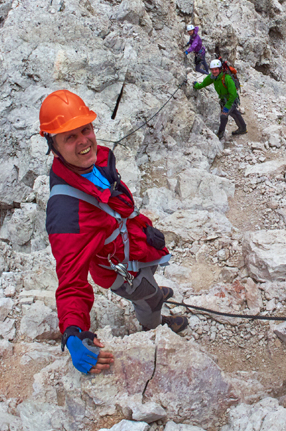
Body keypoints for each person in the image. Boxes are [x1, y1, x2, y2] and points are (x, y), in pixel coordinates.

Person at [40, 89, 188, 376]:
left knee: (151, 285)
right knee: (150, 297)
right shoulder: (66, 214)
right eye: (70, 137)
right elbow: (71, 280)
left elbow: (113, 209)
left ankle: (152, 292)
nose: (84, 141)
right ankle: (153, 321)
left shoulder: (90, 166)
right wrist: (73, 333)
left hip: (135, 247)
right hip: (123, 271)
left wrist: (144, 227)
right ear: (53, 145)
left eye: (86, 129)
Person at [192, 59, 248, 140]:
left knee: (223, 115)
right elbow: (203, 84)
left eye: (216, 69)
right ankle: (243, 128)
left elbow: (233, 94)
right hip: (224, 100)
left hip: (231, 100)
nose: (214, 71)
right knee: (234, 113)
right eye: (212, 70)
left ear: (220, 69)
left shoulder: (227, 78)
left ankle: (220, 134)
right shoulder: (213, 77)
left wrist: (227, 106)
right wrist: (196, 85)